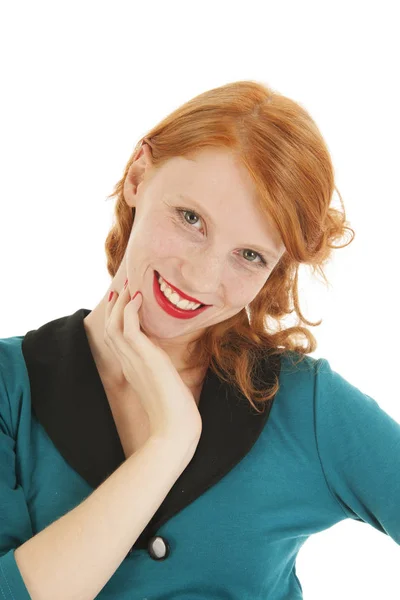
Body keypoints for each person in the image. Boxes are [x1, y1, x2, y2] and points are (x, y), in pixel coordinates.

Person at [0, 80, 399, 600]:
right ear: (139, 175)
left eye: (250, 255)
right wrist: (169, 445)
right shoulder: (12, 387)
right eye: (191, 219)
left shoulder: (304, 406)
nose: (202, 277)